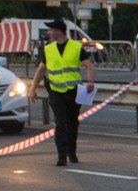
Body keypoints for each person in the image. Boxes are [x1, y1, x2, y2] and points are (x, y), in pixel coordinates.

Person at [28, 18, 96, 166]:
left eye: (51, 30)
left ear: (59, 31)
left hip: (73, 92)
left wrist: (90, 82)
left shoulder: (76, 47)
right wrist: (32, 89)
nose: (49, 32)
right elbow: (41, 70)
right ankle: (61, 156)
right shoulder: (49, 49)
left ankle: (72, 152)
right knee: (60, 123)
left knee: (72, 124)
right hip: (56, 92)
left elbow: (89, 65)